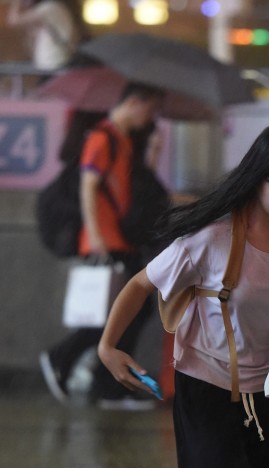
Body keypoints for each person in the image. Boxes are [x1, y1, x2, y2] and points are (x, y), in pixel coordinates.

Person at [97, 122, 269, 467]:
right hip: (207, 386)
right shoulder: (212, 238)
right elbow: (142, 283)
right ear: (256, 181)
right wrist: (108, 346)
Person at [39, 82, 165, 410]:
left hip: (119, 238)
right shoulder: (102, 137)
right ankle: (75, 366)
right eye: (150, 109)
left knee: (127, 312)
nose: (150, 118)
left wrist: (152, 153)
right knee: (118, 314)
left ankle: (101, 379)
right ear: (135, 102)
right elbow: (88, 186)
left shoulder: (124, 141)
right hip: (105, 241)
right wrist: (95, 236)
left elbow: (133, 191)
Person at [7, 0, 88, 71]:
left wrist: (16, 2)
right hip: (56, 62)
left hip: (53, 64)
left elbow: (14, 21)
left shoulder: (49, 8)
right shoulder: (57, 8)